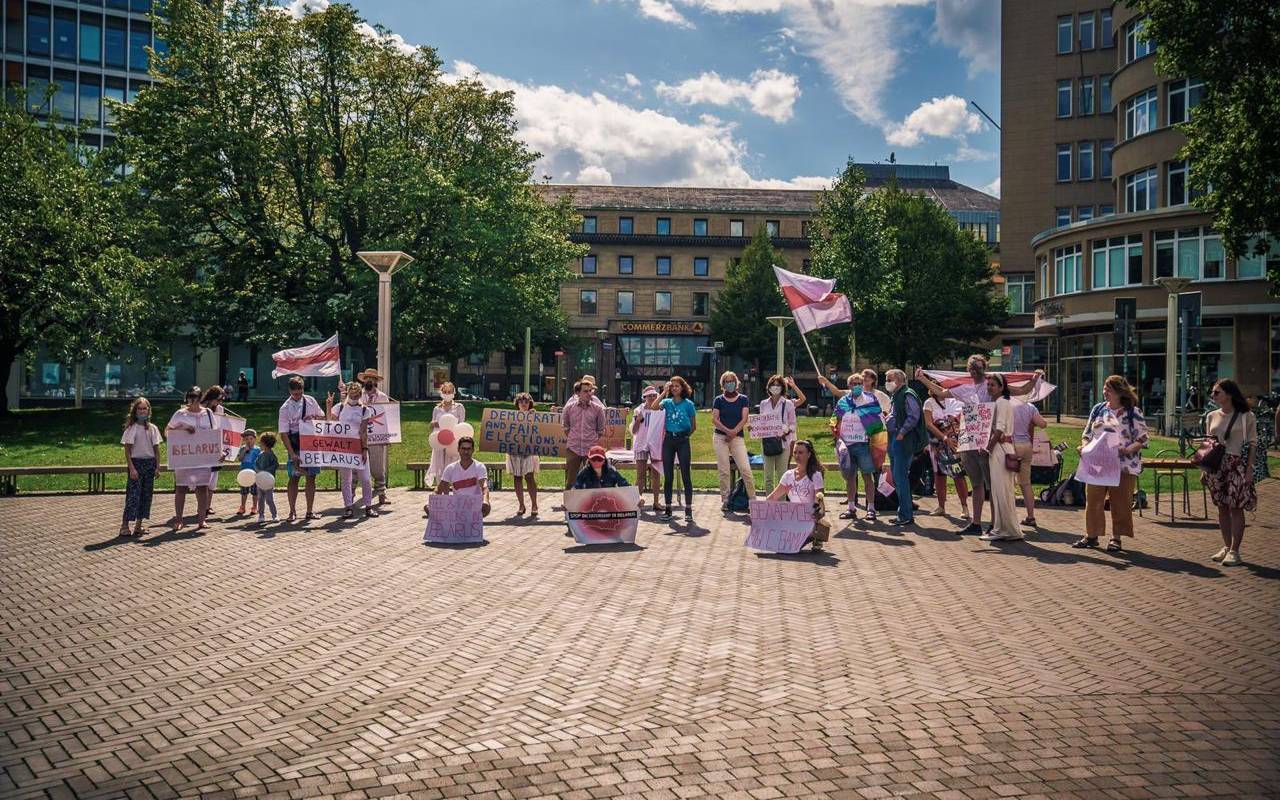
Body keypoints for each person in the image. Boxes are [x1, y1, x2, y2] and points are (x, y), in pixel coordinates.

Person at [915, 357, 1043, 534]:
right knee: (975, 483)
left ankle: (993, 524)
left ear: (985, 368)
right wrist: (922, 378)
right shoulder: (965, 387)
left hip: (988, 443)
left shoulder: (993, 386)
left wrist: (1035, 379)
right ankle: (976, 523)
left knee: (991, 485)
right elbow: (942, 392)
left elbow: (1021, 390)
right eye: (971, 367)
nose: (974, 370)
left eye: (978, 367)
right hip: (969, 440)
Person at [1074, 374, 1149, 551]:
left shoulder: (1133, 412)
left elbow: (1143, 439)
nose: (1105, 392)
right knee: (1093, 500)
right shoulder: (1099, 409)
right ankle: (1091, 535)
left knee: (1120, 501)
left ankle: (1116, 537)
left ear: (1119, 392)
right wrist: (1084, 447)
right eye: (1105, 388)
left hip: (1123, 465)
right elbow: (1087, 434)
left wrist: (1127, 450)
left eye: (1109, 389)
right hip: (1097, 464)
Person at [1202, 379, 1258, 566]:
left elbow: (1252, 445)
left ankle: (1235, 550)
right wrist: (1205, 469)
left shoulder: (1246, 416)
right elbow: (1208, 444)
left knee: (1236, 506)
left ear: (1229, 394)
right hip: (1216, 466)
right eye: (1213, 392)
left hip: (1236, 464)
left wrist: (1249, 469)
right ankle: (1226, 546)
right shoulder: (1211, 416)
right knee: (1221, 507)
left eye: (1217, 392)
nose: (1213, 396)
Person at [820, 373, 884, 522]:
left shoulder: (870, 399)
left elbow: (878, 421)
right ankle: (851, 508)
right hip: (847, 445)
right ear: (849, 386)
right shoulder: (843, 401)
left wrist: (874, 441)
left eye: (859, 383)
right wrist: (836, 434)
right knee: (849, 477)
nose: (856, 386)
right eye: (853, 383)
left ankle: (871, 509)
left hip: (864, 444)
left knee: (867, 476)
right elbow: (836, 419)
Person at [166, 386, 217, 531]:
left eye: (194, 396)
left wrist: (218, 452)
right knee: (181, 488)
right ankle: (179, 519)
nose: (191, 399)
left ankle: (202, 520)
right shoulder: (180, 414)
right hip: (185, 457)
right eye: (189, 396)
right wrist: (182, 429)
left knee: (202, 488)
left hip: (202, 457)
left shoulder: (208, 413)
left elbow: (215, 433)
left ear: (200, 398)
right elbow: (167, 432)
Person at [765, 439, 829, 552]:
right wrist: (757, 513)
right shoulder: (788, 475)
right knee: (778, 544)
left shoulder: (815, 475)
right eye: (795, 452)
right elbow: (773, 497)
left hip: (807, 519)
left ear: (809, 454)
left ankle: (813, 536)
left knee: (787, 548)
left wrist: (817, 515)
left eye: (801, 452)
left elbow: (820, 507)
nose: (797, 455)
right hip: (791, 518)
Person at [980, 374, 1023, 542]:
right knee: (1000, 491)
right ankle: (1005, 528)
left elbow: (999, 429)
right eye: (988, 384)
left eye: (993, 385)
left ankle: (1004, 529)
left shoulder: (1002, 403)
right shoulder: (999, 403)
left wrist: (987, 447)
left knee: (1001, 491)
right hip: (1001, 448)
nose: (989, 387)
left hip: (1000, 449)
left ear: (1001, 387)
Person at [329, 380, 378, 519]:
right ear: (348, 393)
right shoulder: (339, 408)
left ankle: (368, 506)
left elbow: (363, 431)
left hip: (357, 446)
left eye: (358, 395)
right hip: (344, 447)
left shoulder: (364, 410)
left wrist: (364, 448)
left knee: (366, 479)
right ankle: (348, 506)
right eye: (353, 395)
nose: (355, 398)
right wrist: (328, 406)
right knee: (346, 479)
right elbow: (330, 425)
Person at [277, 376, 324, 522]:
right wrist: (292, 454)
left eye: (300, 392)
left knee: (312, 477)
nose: (298, 395)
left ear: (303, 389)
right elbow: (283, 433)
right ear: (290, 391)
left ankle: (309, 511)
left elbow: (322, 418)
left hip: (311, 442)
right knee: (294, 477)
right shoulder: (285, 408)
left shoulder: (310, 401)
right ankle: (292, 511)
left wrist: (314, 417)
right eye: (295, 393)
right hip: (296, 444)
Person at [884, 369, 926, 526]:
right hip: (895, 439)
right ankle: (903, 513)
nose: (887, 382)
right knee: (897, 478)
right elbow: (896, 415)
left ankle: (905, 514)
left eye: (889, 379)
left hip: (903, 441)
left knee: (900, 478)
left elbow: (913, 416)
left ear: (899, 380)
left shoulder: (907, 394)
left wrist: (902, 432)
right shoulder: (896, 396)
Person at [711, 371, 755, 513]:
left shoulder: (743, 399)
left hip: (737, 438)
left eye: (732, 381)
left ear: (736, 383)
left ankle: (753, 501)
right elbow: (715, 420)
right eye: (726, 381)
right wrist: (727, 431)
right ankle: (725, 500)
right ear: (723, 384)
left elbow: (744, 418)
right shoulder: (718, 399)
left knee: (746, 470)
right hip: (720, 438)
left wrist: (734, 432)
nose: (729, 384)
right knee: (724, 470)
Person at [923, 390, 970, 519]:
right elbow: (928, 424)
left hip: (954, 444)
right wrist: (943, 438)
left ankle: (965, 506)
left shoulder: (954, 401)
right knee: (939, 474)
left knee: (958, 474)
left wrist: (954, 422)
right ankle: (941, 506)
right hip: (937, 445)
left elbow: (963, 419)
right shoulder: (929, 403)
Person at [757, 375, 806, 494]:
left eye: (778, 385)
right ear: (769, 387)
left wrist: (785, 431)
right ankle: (770, 503)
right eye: (773, 385)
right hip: (767, 443)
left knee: (782, 477)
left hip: (783, 444)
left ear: (782, 387)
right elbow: (762, 422)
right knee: (768, 477)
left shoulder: (788, 404)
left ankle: (781, 505)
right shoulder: (764, 404)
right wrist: (754, 427)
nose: (775, 387)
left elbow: (793, 424)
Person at [120, 397, 161, 537]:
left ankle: (138, 525)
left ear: (148, 410)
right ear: (135, 411)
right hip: (136, 464)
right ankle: (124, 525)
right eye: (140, 408)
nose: (142, 411)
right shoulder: (132, 428)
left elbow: (156, 449)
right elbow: (127, 450)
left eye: (145, 408)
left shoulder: (153, 428)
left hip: (149, 464)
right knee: (133, 496)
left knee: (146, 496)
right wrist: (132, 468)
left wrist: (157, 466)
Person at [659, 376, 697, 521]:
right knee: (668, 476)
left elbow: (693, 426)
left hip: (682, 440)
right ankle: (668, 508)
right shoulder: (667, 402)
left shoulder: (688, 404)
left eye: (677, 386)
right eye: (672, 386)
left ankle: (688, 509)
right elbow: (653, 406)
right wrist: (663, 392)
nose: (674, 388)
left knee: (686, 475)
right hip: (668, 439)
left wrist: (685, 436)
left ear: (682, 388)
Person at [425, 436, 491, 518]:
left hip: (474, 507)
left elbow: (484, 487)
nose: (466, 452)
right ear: (458, 450)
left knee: (485, 508)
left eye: (468, 449)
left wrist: (486, 500)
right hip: (457, 507)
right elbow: (439, 488)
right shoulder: (451, 468)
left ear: (473, 450)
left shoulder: (479, 467)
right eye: (463, 449)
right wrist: (430, 501)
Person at [562, 380, 606, 490]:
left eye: (590, 391)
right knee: (571, 479)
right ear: (578, 393)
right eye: (585, 391)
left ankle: (591, 504)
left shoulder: (598, 409)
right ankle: (569, 503)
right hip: (573, 448)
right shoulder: (569, 408)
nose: (589, 393)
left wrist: (592, 440)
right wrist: (574, 437)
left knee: (592, 479)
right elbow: (566, 427)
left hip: (590, 449)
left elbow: (600, 430)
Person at [1010, 400, 1048, 527]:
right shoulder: (1030, 407)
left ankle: (1009, 517)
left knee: (1009, 482)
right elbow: (1043, 424)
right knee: (1025, 483)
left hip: (1012, 445)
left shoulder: (1007, 405)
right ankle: (1031, 516)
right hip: (1026, 446)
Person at [358, 369, 392, 505]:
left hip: (377, 436)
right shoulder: (357, 395)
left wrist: (388, 436)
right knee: (357, 466)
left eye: (372, 379)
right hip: (360, 436)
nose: (369, 381)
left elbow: (387, 418)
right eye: (367, 378)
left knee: (378, 467)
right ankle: (352, 494)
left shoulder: (383, 397)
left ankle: (381, 493)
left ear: (376, 382)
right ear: (364, 380)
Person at [508, 392, 540, 516]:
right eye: (521, 402)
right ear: (517, 404)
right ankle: (521, 504)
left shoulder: (534, 415)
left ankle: (534, 504)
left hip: (529, 451)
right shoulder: (511, 416)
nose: (524, 404)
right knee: (517, 477)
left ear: (530, 403)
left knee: (529, 477)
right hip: (515, 451)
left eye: (526, 402)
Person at [428, 382, 466, 487]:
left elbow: (462, 424)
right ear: (441, 393)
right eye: (445, 392)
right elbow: (432, 423)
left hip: (453, 441)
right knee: (440, 466)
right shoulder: (437, 408)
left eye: (449, 392)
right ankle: (441, 490)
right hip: (439, 441)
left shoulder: (459, 407)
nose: (447, 394)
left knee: (453, 465)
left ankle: (455, 490)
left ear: (453, 393)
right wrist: (436, 423)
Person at [631, 386, 662, 509]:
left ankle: (656, 502)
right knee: (640, 475)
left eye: (654, 395)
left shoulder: (660, 409)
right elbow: (633, 431)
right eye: (649, 396)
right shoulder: (639, 410)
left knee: (656, 474)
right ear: (645, 397)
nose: (652, 398)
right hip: (641, 444)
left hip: (655, 445)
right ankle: (636, 501)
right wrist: (638, 421)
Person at [201, 386, 228, 515]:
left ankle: (208, 505)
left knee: (213, 477)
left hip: (217, 445)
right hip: (204, 446)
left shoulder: (220, 409)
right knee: (205, 477)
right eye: (218, 399)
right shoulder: (201, 408)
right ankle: (201, 505)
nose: (219, 403)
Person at [255, 432, 280, 524]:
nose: (259, 444)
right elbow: (256, 464)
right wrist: (258, 470)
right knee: (260, 498)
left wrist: (266, 471)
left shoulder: (271, 455)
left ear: (265, 444)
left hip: (268, 481)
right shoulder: (260, 455)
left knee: (269, 499)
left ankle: (275, 515)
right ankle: (261, 515)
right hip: (260, 481)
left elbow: (275, 465)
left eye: (260, 443)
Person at [235, 428, 260, 517]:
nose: (249, 441)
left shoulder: (258, 450)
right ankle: (242, 506)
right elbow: (240, 459)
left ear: (255, 439)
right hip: (244, 474)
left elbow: (260, 461)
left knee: (255, 492)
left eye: (251, 439)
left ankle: (254, 507)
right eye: (246, 439)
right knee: (244, 492)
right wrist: (245, 451)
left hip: (254, 474)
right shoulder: (242, 448)